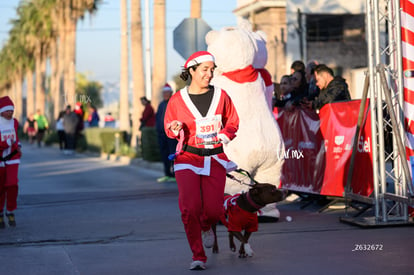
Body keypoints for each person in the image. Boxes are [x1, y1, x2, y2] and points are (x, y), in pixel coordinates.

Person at [164, 51, 239, 270]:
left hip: (215, 158)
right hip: (187, 157)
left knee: (214, 211)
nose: (210, 74)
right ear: (192, 70)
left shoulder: (222, 95)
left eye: (212, 69)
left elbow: (233, 121)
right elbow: (168, 125)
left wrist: (226, 133)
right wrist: (174, 128)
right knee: (190, 208)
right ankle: (198, 255)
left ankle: (207, 225)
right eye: (205, 69)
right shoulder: (178, 99)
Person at [0, 96, 22, 228]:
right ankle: (0, 212)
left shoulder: (14, 122)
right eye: (7, 110)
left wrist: (18, 146)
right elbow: (8, 141)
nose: (10, 112)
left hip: (13, 157)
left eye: (12, 110)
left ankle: (10, 210)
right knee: (1, 187)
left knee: (12, 184)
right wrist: (6, 143)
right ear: (1, 111)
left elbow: (16, 138)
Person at [155, 83, 178, 183]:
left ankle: (175, 174)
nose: (165, 94)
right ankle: (167, 174)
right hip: (161, 135)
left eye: (167, 92)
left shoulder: (173, 103)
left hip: (171, 135)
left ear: (171, 93)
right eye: (164, 93)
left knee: (173, 154)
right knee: (164, 155)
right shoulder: (161, 105)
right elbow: (157, 118)